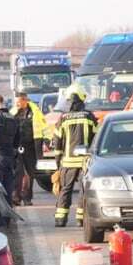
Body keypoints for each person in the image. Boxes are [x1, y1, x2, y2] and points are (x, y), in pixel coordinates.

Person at [51, 85, 98, 227]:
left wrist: (58, 163)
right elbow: (95, 139)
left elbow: (57, 143)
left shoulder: (63, 118)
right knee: (84, 190)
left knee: (65, 189)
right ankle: (81, 219)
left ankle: (60, 219)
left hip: (68, 161)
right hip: (85, 161)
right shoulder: (89, 116)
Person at [12, 91, 47, 205]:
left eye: (18, 102)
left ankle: (27, 198)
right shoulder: (12, 112)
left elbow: (44, 128)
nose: (16, 104)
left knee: (29, 173)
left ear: (25, 101)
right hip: (17, 146)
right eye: (15, 102)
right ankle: (16, 197)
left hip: (30, 146)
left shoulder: (36, 112)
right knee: (17, 172)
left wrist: (45, 142)